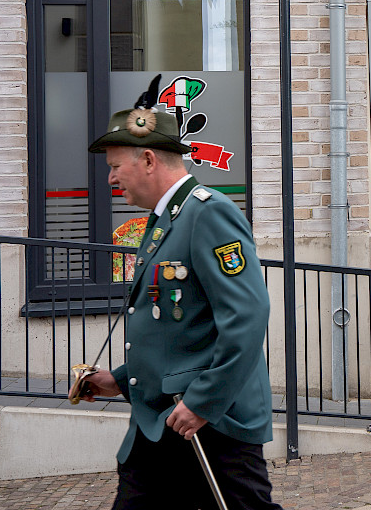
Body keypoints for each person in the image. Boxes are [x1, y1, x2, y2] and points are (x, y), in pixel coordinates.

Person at [81, 78, 281, 510]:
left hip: (210, 422)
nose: (110, 177)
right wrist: (120, 380)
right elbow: (180, 329)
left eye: (115, 166)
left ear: (148, 159)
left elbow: (247, 316)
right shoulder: (165, 219)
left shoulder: (208, 213)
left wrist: (204, 402)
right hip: (163, 418)